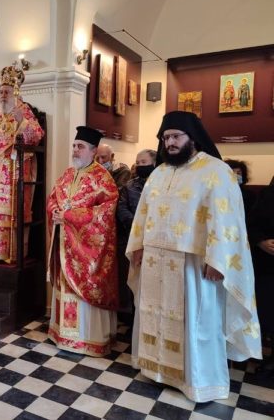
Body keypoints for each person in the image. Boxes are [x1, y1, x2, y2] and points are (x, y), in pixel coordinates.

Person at [127, 110, 261, 402]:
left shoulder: (215, 170)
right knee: (154, 314)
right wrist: (137, 245)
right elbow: (143, 214)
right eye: (166, 138)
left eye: (176, 136)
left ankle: (199, 381)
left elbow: (227, 219)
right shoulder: (159, 173)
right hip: (156, 260)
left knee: (197, 321)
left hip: (193, 264)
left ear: (193, 137)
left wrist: (218, 259)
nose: (170, 143)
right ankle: (156, 370)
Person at [47, 126, 119, 357]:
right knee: (64, 284)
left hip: (87, 250)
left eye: (80, 146)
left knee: (85, 287)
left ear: (93, 151)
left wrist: (69, 216)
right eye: (74, 146)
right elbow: (53, 197)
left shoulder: (103, 178)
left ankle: (88, 338)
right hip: (64, 243)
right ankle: (63, 333)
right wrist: (55, 211)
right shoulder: (68, 174)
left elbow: (106, 212)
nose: (75, 150)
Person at [0, 65, 44, 264]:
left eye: (7, 92)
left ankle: (10, 253)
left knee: (12, 213)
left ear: (15, 93)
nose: (3, 95)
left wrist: (23, 121)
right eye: (1, 92)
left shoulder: (24, 111)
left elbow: (37, 136)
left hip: (15, 171)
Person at [116, 149, 156, 322]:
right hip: (133, 239)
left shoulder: (160, 184)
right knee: (134, 281)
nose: (139, 166)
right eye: (137, 163)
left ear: (154, 163)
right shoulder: (129, 186)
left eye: (144, 162)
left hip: (155, 240)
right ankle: (134, 323)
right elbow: (122, 208)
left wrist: (150, 227)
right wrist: (138, 225)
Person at [248, 181, 274, 375]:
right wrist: (261, 241)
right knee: (267, 310)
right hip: (267, 265)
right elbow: (251, 224)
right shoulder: (268, 194)